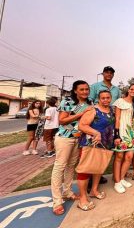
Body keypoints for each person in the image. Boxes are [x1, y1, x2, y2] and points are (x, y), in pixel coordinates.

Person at [51, 80, 93, 216]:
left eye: (87, 89)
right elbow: (62, 120)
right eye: (82, 89)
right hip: (65, 137)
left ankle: (67, 192)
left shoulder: (90, 102)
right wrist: (81, 114)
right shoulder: (67, 102)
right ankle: (57, 201)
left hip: (79, 138)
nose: (85, 92)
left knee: (71, 166)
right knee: (60, 166)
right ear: (75, 91)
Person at [77, 90, 115, 211]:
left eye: (108, 98)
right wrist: (95, 132)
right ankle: (82, 198)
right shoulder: (93, 110)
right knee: (85, 169)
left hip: (105, 144)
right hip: (90, 144)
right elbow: (82, 125)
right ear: (99, 98)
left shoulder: (112, 110)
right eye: (103, 98)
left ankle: (94, 190)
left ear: (111, 98)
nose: (105, 100)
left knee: (98, 168)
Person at [89, 66, 120, 185]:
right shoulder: (95, 86)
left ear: (113, 75)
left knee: (107, 149)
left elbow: (117, 104)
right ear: (103, 73)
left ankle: (99, 175)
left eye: (111, 73)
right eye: (106, 72)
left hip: (111, 118)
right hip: (99, 118)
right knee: (96, 151)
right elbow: (90, 101)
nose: (109, 74)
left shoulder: (116, 89)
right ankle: (91, 180)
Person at [112, 84, 134, 193]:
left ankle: (122, 178)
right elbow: (117, 118)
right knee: (119, 157)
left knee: (129, 157)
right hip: (121, 132)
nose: (133, 91)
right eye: (131, 89)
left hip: (131, 133)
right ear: (128, 90)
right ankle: (117, 182)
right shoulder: (120, 101)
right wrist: (117, 134)